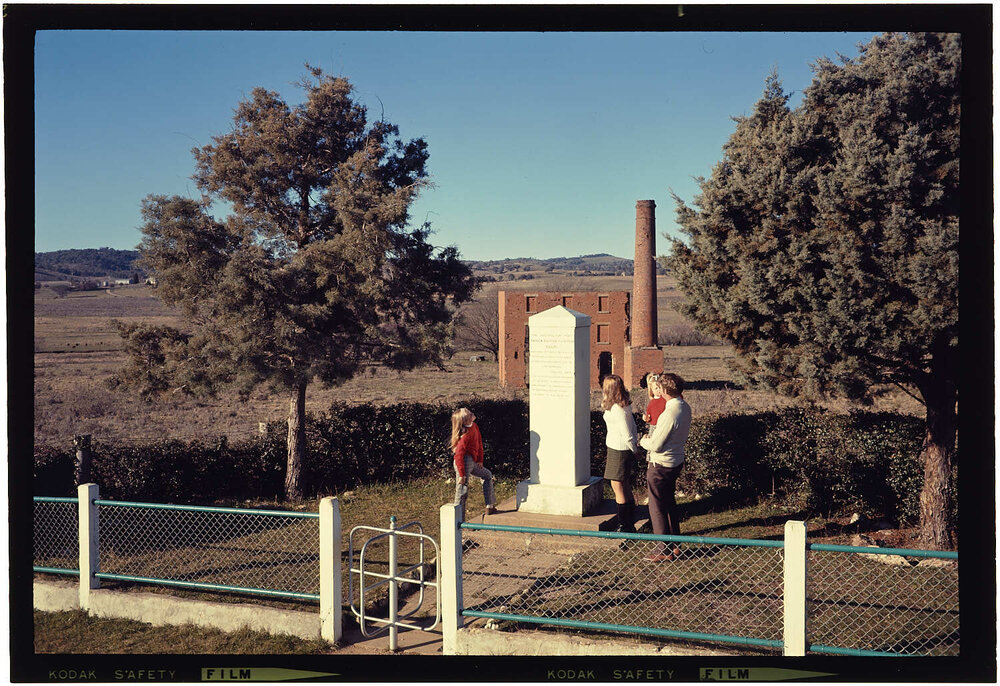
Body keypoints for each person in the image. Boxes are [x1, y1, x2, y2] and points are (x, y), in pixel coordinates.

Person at [639, 372, 692, 562]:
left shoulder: (669, 413)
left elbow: (656, 445)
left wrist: (644, 441)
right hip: (676, 461)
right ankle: (675, 545)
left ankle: (663, 550)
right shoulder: (684, 407)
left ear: (664, 390)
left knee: (657, 507)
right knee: (669, 503)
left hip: (661, 464)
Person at [600, 374, 639, 533]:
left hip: (620, 449)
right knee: (623, 484)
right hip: (616, 447)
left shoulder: (618, 409)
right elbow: (633, 426)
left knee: (617, 485)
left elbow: (627, 432)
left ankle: (625, 525)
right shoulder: (620, 405)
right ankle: (629, 517)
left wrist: (634, 450)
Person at [451, 407, 497, 521]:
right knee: (462, 491)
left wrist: (480, 460)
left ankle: (489, 506)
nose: (472, 413)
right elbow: (458, 456)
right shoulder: (465, 435)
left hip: (472, 461)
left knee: (487, 475)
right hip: (463, 462)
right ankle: (458, 522)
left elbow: (479, 444)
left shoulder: (475, 426)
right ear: (465, 420)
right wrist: (461, 474)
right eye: (470, 414)